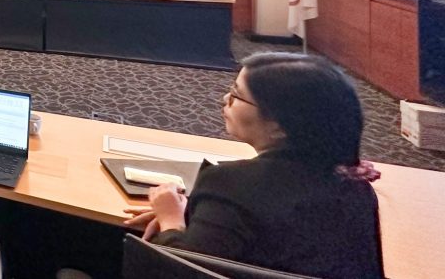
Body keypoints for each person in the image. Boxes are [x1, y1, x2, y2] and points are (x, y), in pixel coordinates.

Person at [125, 53, 383, 279]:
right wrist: (203, 214)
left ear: (279, 126)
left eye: (237, 95)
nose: (225, 98)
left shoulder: (228, 184)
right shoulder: (358, 191)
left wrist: (171, 220)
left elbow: (181, 272)